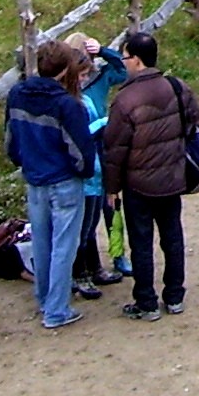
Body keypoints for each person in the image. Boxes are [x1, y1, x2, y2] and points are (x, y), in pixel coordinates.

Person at [103, 28, 199, 321]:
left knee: (141, 244)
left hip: (139, 186)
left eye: (124, 57)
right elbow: (195, 123)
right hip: (172, 179)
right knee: (172, 237)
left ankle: (146, 302)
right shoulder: (176, 86)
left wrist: (112, 189)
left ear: (136, 60)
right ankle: (174, 296)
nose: (122, 63)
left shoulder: (125, 101)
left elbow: (115, 150)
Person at [5, 38, 96, 330]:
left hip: (35, 179)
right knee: (64, 246)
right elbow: (80, 151)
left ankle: (44, 298)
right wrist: (83, 172)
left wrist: (23, 162)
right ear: (64, 69)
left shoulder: (17, 94)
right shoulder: (67, 105)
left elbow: (11, 140)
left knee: (42, 243)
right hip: (64, 180)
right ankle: (57, 310)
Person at [71, 35, 127, 300]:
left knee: (112, 207)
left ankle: (118, 254)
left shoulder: (100, 76)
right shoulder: (71, 92)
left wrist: (105, 50)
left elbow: (123, 71)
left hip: (104, 147)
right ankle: (92, 268)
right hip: (89, 151)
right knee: (90, 216)